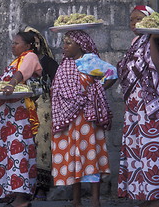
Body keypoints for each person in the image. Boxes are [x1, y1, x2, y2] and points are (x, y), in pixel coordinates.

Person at [117, 5, 159, 207]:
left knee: (155, 150)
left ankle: (156, 198)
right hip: (137, 108)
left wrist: (154, 37)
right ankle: (146, 196)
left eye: (139, 19)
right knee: (139, 151)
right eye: (131, 20)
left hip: (157, 106)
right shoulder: (135, 43)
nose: (134, 23)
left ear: (150, 21)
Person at [51, 30, 117, 207]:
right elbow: (59, 93)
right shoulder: (64, 65)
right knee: (73, 158)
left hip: (87, 118)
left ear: (80, 45)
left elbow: (112, 73)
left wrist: (96, 89)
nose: (64, 46)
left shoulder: (89, 61)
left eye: (68, 43)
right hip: (69, 119)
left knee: (90, 155)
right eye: (64, 43)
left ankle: (95, 201)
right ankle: (76, 201)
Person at [0, 31, 42, 207]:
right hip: (7, 116)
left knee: (19, 153)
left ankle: (21, 198)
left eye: (17, 43)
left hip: (20, 117)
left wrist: (11, 84)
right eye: (12, 43)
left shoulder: (30, 56)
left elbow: (21, 74)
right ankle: (10, 194)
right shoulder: (14, 61)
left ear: (28, 46)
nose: (13, 46)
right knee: (6, 154)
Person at [24, 27, 59, 201]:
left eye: (35, 43)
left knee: (43, 145)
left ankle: (42, 187)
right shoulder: (20, 62)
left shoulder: (47, 62)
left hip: (43, 107)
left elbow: (59, 83)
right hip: (25, 106)